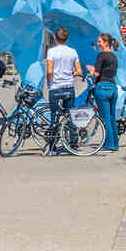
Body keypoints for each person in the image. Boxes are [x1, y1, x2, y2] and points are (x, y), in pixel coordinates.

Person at [45, 27, 83, 155]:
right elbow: (79, 71)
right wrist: (70, 74)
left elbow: (49, 70)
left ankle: (52, 145)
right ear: (67, 39)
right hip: (69, 87)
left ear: (55, 38)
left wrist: (50, 81)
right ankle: (73, 143)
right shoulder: (73, 52)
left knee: (54, 117)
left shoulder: (52, 52)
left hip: (55, 87)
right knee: (70, 116)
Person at [88, 33, 120, 151]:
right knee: (112, 117)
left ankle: (109, 144)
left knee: (105, 118)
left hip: (102, 88)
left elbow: (96, 74)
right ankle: (115, 144)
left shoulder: (101, 55)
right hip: (113, 87)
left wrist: (91, 69)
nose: (98, 43)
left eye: (100, 41)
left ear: (106, 43)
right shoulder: (114, 56)